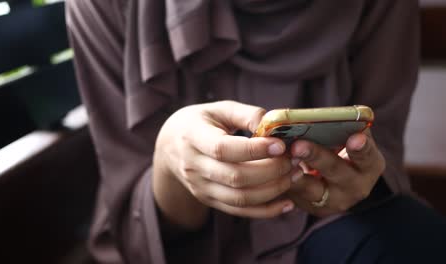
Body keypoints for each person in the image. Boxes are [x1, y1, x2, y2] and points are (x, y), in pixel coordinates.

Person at [65, 0, 446, 263]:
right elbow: (138, 234)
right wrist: (171, 163)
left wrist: (355, 184)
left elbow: (379, 157)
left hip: (334, 229)